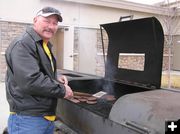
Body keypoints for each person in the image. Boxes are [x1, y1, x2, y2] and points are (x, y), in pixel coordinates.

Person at [5, 7, 73, 134]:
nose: (51, 26)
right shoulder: (23, 44)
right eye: (47, 21)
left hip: (43, 118)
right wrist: (62, 90)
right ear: (35, 20)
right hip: (27, 120)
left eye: (55, 23)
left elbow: (36, 69)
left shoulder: (42, 44)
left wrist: (55, 76)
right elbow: (30, 81)